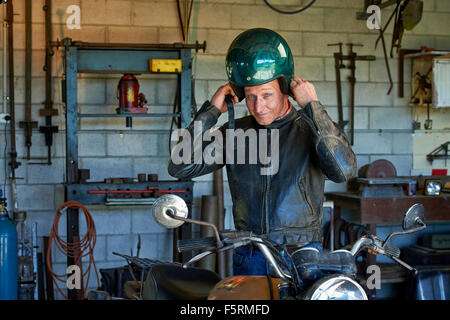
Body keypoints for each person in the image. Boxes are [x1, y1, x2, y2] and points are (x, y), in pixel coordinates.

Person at [168, 28, 356, 275]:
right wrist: (210, 112)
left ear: (286, 89)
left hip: (299, 253)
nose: (259, 106)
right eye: (250, 97)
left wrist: (313, 107)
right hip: (250, 253)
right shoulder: (235, 133)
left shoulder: (311, 129)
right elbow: (180, 166)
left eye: (267, 95)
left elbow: (343, 170)